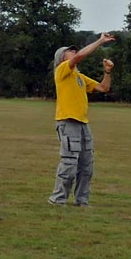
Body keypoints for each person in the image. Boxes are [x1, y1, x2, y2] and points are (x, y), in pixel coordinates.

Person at [49, 33, 116, 206]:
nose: (73, 52)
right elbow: (80, 56)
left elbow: (103, 87)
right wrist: (100, 41)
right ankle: (58, 199)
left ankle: (82, 201)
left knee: (87, 166)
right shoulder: (62, 70)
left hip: (83, 123)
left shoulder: (80, 77)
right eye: (69, 51)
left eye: (73, 50)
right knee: (69, 163)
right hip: (67, 121)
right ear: (61, 58)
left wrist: (107, 72)